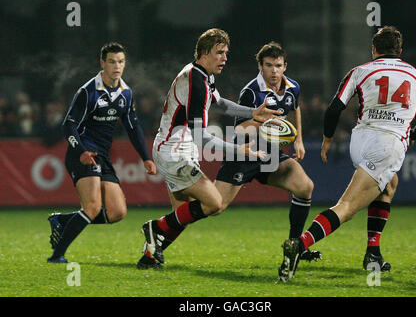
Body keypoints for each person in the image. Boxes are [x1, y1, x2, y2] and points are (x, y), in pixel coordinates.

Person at [278, 26, 416, 282]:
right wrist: (410, 137)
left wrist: (327, 139)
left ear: (374, 50)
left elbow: (334, 108)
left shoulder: (360, 71)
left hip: (359, 140)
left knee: (388, 185)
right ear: (400, 51)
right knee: (347, 207)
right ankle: (300, 244)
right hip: (387, 144)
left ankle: (373, 253)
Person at [137, 28, 281, 269]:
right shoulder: (196, 82)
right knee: (214, 203)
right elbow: (203, 138)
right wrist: (240, 151)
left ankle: (149, 257)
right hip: (174, 152)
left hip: (176, 147)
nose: (225, 58)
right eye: (220, 52)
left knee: (182, 216)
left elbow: (220, 104)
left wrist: (252, 112)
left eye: (226, 53)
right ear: (204, 53)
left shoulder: (202, 75)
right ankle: (153, 228)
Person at [47, 42, 157, 263]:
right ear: (102, 63)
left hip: (103, 156)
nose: (117, 66)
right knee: (92, 206)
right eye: (112, 61)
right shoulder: (88, 92)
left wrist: (146, 157)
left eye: (121, 61)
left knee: (117, 212)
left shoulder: (126, 93)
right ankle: (57, 255)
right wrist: (80, 150)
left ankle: (62, 221)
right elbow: (68, 125)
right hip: (83, 153)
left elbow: (133, 128)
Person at [213, 41, 320, 262]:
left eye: (278, 65)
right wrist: (267, 124)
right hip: (244, 154)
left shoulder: (293, 87)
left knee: (304, 186)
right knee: (214, 207)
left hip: (271, 155)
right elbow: (240, 129)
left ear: (285, 66)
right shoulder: (251, 92)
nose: (274, 70)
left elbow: (295, 109)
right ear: (260, 67)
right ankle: (162, 229)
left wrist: (298, 139)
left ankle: (294, 245)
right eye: (269, 65)